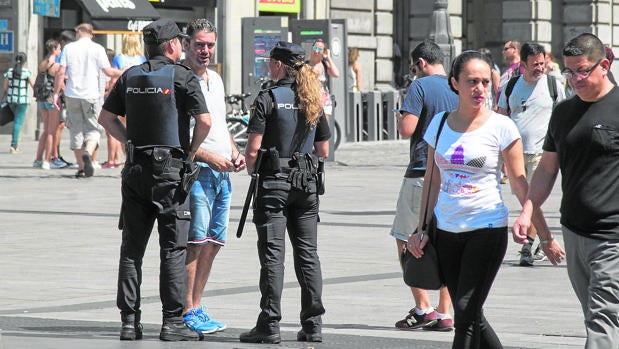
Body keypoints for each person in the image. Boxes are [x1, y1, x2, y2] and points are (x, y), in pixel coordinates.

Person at [408, 50, 531, 349]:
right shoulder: (438, 124)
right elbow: (433, 179)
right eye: (472, 81)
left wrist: (530, 218)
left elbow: (518, 180)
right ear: (455, 83)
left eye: (485, 82)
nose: (480, 89)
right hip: (447, 230)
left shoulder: (502, 126)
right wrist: (421, 227)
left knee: (463, 313)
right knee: (470, 312)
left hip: (486, 228)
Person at [98, 18, 211, 342]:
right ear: (173, 45)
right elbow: (204, 121)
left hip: (135, 170)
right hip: (169, 172)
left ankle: (129, 322)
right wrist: (189, 154)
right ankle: (172, 322)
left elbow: (105, 118)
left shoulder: (130, 75)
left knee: (131, 250)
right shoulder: (182, 77)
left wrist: (129, 142)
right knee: (172, 250)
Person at [513, 32, 618, 349]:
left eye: (582, 70)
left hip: (613, 237)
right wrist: (528, 210)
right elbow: (546, 169)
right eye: (569, 71)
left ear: (604, 64)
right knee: (596, 317)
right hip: (574, 233)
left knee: (602, 321)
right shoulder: (563, 114)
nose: (574, 79)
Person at [239, 41, 330, 344]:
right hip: (306, 183)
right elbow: (324, 149)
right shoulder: (313, 98)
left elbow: (252, 151)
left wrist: (256, 169)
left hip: (274, 182)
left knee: (273, 256)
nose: (268, 66)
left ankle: (270, 325)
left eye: (270, 61)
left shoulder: (268, 98)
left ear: (278, 65)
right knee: (308, 255)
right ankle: (313, 324)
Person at [180, 18, 247, 334]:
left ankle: (198, 305)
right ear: (186, 44)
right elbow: (180, 138)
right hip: (198, 172)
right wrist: (209, 157)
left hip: (223, 172)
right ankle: (187, 309)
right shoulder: (180, 79)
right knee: (195, 242)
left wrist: (234, 152)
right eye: (199, 44)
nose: (205, 50)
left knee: (214, 241)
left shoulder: (216, 80)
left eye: (209, 45)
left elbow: (219, 126)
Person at [392, 39, 457, 332]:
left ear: (421, 63)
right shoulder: (458, 86)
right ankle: (445, 312)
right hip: (454, 174)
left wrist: (400, 114)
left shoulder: (419, 87)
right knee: (444, 242)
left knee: (406, 236)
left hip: (422, 172)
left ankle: (423, 307)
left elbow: (407, 129)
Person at [496, 42, 566, 266]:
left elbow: (563, 116)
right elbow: (501, 117)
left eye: (542, 63)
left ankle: (528, 244)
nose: (540, 68)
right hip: (515, 153)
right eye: (534, 64)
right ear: (523, 64)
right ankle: (537, 241)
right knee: (525, 199)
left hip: (541, 153)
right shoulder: (511, 86)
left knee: (531, 200)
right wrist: (501, 155)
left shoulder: (554, 85)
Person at [53, 23, 122, 178]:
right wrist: (123, 71)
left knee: (75, 130)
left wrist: (56, 93)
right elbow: (108, 71)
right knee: (94, 129)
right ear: (91, 34)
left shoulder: (69, 48)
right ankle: (88, 152)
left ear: (78, 32)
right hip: (92, 95)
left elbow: (60, 72)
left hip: (72, 94)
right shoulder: (98, 49)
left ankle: (81, 168)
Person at [33, 40, 64, 169]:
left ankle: (38, 159)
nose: (60, 51)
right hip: (52, 97)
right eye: (59, 49)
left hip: (42, 98)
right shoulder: (56, 66)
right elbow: (60, 83)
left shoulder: (42, 64)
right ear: (54, 50)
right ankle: (47, 160)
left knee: (45, 130)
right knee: (52, 131)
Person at [3, 52, 35, 154]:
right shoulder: (26, 72)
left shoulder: (9, 72)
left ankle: (15, 143)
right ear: (24, 61)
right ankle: (14, 146)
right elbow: (33, 85)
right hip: (22, 101)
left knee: (16, 121)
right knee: (18, 123)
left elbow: (5, 87)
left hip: (11, 100)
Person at [307, 38, 339, 120]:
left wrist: (328, 58)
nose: (316, 51)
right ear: (311, 49)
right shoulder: (305, 66)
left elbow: (336, 74)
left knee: (323, 129)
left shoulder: (325, 65)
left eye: (319, 49)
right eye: (314, 48)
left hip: (324, 102)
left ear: (323, 52)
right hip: (310, 101)